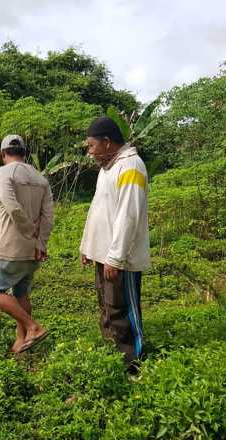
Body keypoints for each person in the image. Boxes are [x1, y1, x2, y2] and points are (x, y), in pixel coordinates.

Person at [80, 116, 150, 373]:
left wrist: (116, 257)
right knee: (108, 306)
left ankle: (132, 363)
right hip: (104, 255)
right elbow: (99, 209)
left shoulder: (131, 166)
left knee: (122, 309)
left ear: (107, 142)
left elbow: (128, 215)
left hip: (121, 259)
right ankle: (113, 354)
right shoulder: (107, 168)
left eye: (91, 146)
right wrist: (88, 246)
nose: (90, 153)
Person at [0, 135, 54, 354]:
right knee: (21, 293)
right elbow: (48, 216)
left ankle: (33, 327)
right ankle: (21, 341)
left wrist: (29, 231)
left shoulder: (3, 173)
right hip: (32, 251)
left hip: (8, 247)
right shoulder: (41, 179)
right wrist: (40, 242)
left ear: (2, 154)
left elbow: (11, 206)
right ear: (25, 153)